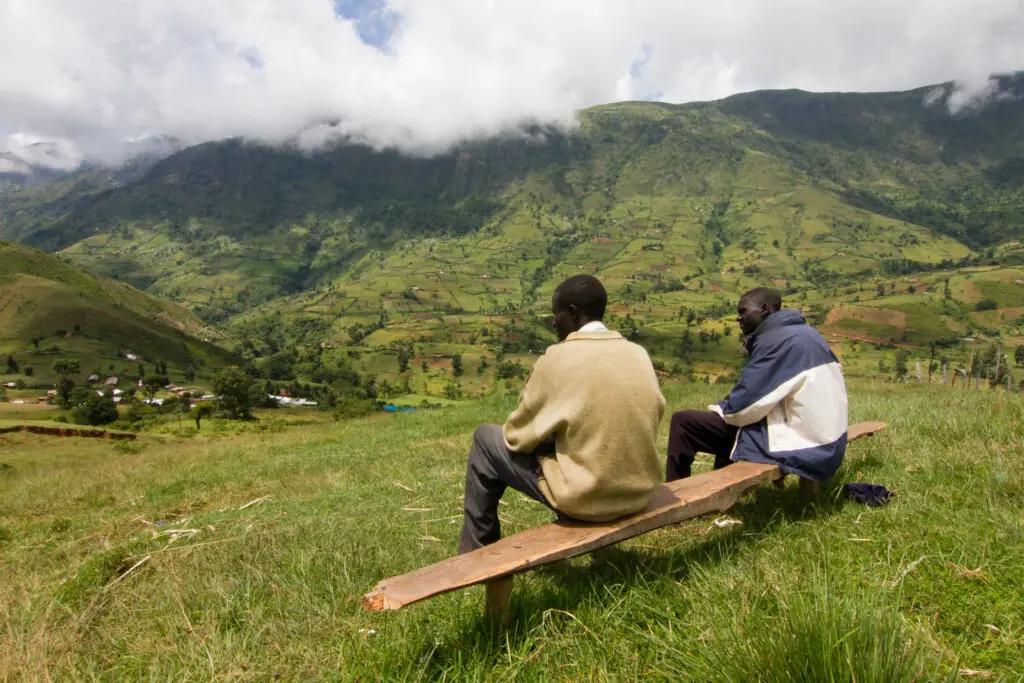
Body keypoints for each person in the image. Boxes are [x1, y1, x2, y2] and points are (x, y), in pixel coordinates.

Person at [459, 274, 666, 554]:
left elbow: (517, 438)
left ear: (572, 312)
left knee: (485, 438)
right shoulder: (638, 353)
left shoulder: (557, 358)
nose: (553, 322)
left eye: (556, 314)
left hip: (587, 499)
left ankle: (475, 553)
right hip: (640, 492)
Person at [665, 288, 848, 492]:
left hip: (806, 446)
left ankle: (675, 494)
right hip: (830, 440)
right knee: (730, 423)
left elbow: (741, 409)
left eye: (743, 311)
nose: (738, 318)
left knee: (683, 422)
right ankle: (723, 489)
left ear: (764, 309)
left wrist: (720, 408)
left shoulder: (776, 341)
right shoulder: (806, 333)